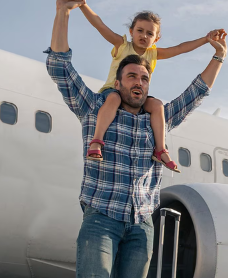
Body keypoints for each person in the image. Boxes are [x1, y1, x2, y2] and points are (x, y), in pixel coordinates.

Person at [46, 1, 227, 278]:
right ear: (118, 82)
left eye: (144, 78)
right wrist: (63, 13)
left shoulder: (158, 120)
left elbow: (196, 92)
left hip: (141, 224)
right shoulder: (95, 108)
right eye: (131, 77)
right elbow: (60, 67)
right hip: (102, 217)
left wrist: (218, 55)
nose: (138, 83)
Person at [79, 4, 210, 172]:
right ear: (131, 32)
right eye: (140, 30)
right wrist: (83, 5)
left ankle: (160, 149)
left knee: (157, 105)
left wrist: (206, 39)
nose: (144, 36)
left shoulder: (153, 54)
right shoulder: (122, 45)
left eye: (150, 33)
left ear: (156, 39)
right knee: (114, 98)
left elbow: (180, 49)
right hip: (113, 91)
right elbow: (100, 25)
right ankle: (96, 141)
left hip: (136, 97)